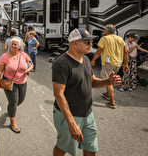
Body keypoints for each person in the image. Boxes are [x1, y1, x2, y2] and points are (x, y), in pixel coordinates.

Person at [52, 28, 121, 156]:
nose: (91, 44)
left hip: (88, 114)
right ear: (74, 43)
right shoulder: (61, 63)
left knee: (91, 149)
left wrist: (108, 81)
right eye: (87, 42)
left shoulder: (86, 60)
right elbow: (58, 94)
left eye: (91, 42)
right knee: (63, 147)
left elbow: (92, 82)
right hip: (69, 115)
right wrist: (71, 123)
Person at [0, 37, 34, 133]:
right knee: (13, 103)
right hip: (9, 83)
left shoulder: (24, 55)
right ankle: (12, 123)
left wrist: (28, 70)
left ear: (19, 46)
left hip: (22, 82)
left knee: (20, 101)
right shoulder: (5, 56)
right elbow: (0, 70)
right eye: (12, 44)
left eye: (15, 44)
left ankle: (10, 110)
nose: (13, 45)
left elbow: (31, 64)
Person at [91, 24, 128, 109]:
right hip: (118, 63)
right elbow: (126, 52)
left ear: (107, 31)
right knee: (111, 77)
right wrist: (125, 64)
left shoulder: (104, 38)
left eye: (104, 30)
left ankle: (111, 102)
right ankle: (107, 94)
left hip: (109, 63)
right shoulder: (120, 39)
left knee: (109, 81)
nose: (103, 31)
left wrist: (93, 60)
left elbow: (99, 51)